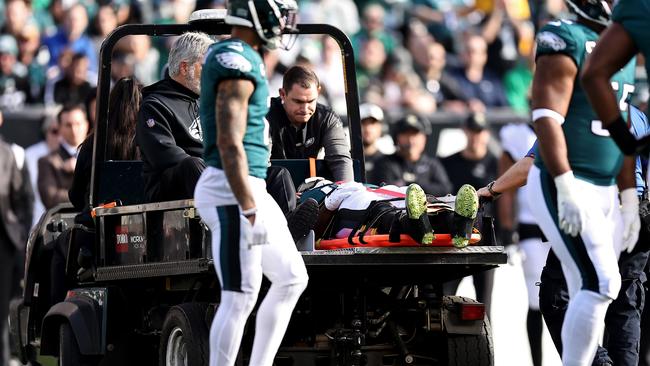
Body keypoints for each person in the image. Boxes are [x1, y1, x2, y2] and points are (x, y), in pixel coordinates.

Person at [193, 2, 309, 366]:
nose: (283, 24)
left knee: (291, 277)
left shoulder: (246, 56)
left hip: (249, 185)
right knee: (241, 294)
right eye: (278, 13)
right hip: (231, 187)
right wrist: (248, 205)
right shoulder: (233, 58)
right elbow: (229, 140)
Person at [526, 1, 638, 363]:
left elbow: (620, 129)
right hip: (565, 181)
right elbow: (545, 117)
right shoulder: (564, 37)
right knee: (603, 282)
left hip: (605, 186)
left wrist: (628, 194)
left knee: (588, 287)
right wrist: (565, 182)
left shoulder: (624, 47)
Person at [136, 31, 213, 202]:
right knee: (192, 165)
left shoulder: (210, 102)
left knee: (277, 175)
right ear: (185, 67)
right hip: (171, 191)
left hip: (211, 177)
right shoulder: (155, 105)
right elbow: (166, 157)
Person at [496, 123, 549, 366]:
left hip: (566, 225)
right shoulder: (518, 135)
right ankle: (537, 362)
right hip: (532, 226)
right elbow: (507, 187)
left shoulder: (574, 124)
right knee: (537, 299)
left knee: (577, 298)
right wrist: (508, 228)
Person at [298, 179, 479, 247]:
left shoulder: (316, 191)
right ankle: (455, 221)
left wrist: (329, 203)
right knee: (429, 204)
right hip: (389, 192)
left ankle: (414, 224)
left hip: (359, 201)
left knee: (384, 214)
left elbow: (316, 224)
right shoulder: (353, 185)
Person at [441, 112, 498, 316]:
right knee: (443, 301)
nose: (475, 136)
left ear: (487, 133)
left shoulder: (496, 163)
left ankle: (486, 347)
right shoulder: (448, 163)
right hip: (454, 240)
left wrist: (508, 233)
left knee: (485, 305)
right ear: (465, 132)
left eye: (480, 131)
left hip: (485, 242)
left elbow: (507, 200)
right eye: (472, 131)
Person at [267, 64, 354, 182]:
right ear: (283, 94)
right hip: (273, 189)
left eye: (311, 101)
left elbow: (340, 160)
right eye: (298, 101)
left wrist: (345, 192)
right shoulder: (265, 116)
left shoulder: (327, 119)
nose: (305, 108)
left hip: (313, 190)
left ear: (318, 92)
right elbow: (259, 163)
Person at [0, 111, 33, 365]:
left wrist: (20, 234)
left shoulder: (8, 153)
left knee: (5, 305)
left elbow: (22, 198)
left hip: (6, 243)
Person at [370, 113, 452, 197]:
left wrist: (412, 186)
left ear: (425, 138)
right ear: (396, 138)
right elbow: (385, 192)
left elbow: (445, 189)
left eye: (415, 134)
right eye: (405, 134)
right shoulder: (384, 164)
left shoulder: (432, 164)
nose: (411, 139)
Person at [37, 104, 89, 209]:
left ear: (87, 125)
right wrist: (88, 196)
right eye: (68, 125)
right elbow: (51, 199)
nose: (74, 130)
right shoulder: (47, 161)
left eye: (78, 124)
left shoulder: (98, 157)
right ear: (59, 128)